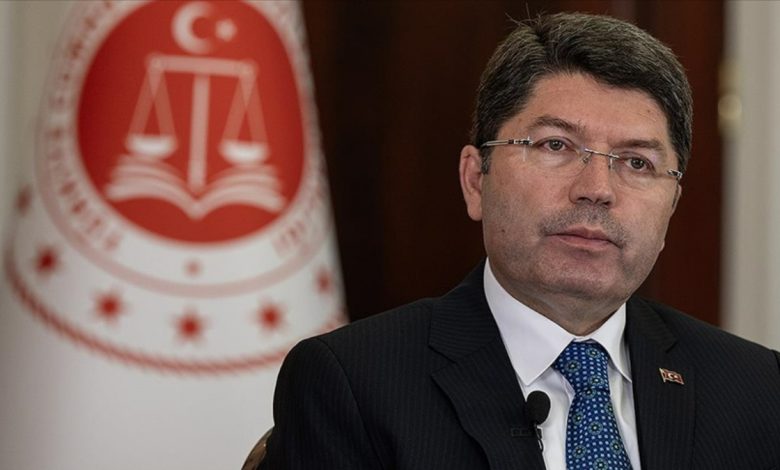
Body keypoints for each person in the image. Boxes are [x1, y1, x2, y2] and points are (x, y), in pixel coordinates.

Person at [260, 12, 780, 470]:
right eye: (556, 145)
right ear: (475, 180)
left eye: (637, 162)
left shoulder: (756, 387)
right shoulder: (354, 383)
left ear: (671, 205)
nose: (596, 189)